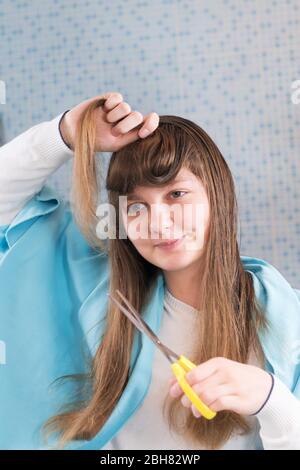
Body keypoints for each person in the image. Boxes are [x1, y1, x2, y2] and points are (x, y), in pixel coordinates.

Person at [0, 92, 299, 450]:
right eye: (136, 206)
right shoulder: (98, 292)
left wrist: (272, 401)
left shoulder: (285, 320)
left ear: (218, 196)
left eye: (176, 194)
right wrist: (65, 134)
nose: (158, 222)